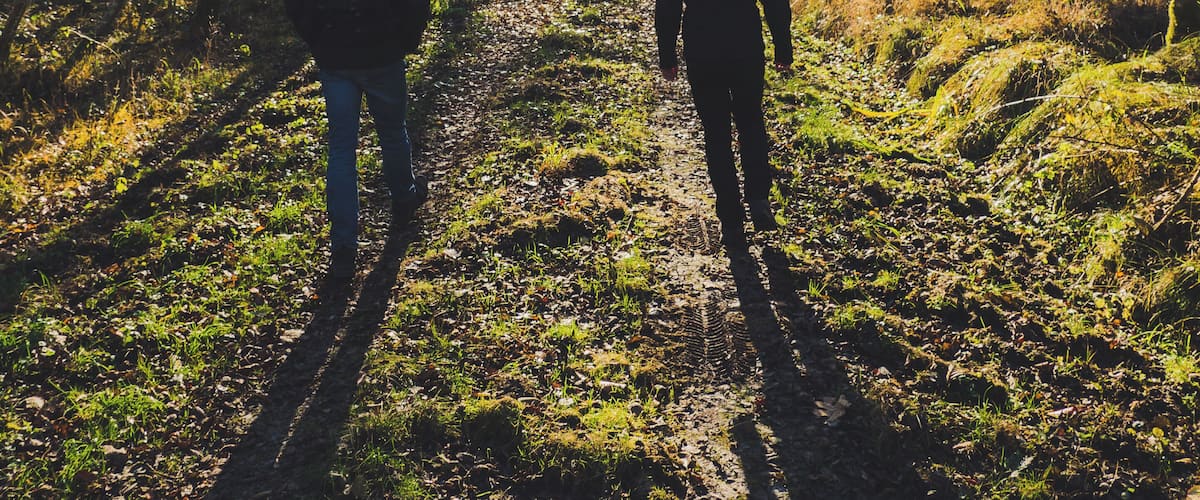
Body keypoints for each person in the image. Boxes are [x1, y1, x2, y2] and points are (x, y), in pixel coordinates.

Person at [285, 0, 430, 278]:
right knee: (392, 132)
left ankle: (343, 247)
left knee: (341, 148)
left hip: (336, 55)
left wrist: (319, 39)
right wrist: (406, 39)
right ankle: (404, 199)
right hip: (382, 52)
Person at [656, 0, 793, 247]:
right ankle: (759, 198)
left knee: (716, 129)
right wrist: (782, 45)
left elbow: (668, 4)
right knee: (750, 119)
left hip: (702, 40)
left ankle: (730, 216)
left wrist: (667, 54)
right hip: (744, 36)